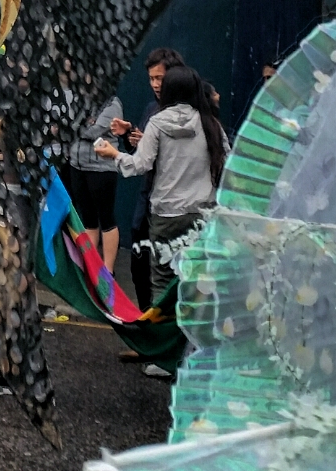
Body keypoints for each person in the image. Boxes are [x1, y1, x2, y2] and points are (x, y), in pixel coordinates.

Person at [94, 63, 229, 307]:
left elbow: (139, 165)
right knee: (198, 284)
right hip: (201, 217)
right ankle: (193, 339)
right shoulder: (211, 125)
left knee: (162, 282)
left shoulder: (157, 123)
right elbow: (228, 165)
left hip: (165, 217)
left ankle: (163, 339)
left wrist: (114, 154)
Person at [109, 46, 183, 310]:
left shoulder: (184, 114)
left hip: (172, 204)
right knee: (139, 266)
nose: (155, 84)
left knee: (164, 270)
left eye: (160, 78)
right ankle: (146, 325)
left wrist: (153, 147)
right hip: (146, 199)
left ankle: (163, 336)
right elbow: (140, 157)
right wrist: (130, 136)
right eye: (151, 79)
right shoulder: (152, 108)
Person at [63, 92, 124, 273]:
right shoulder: (79, 98)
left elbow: (93, 131)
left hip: (102, 168)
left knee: (106, 218)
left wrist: (72, 125)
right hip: (77, 164)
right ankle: (91, 267)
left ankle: (108, 270)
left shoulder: (113, 103)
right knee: (88, 219)